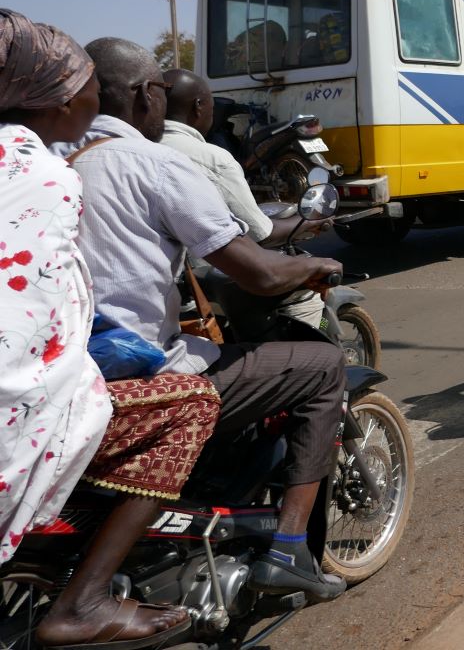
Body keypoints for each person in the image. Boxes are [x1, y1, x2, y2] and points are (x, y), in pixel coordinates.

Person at [60, 38, 350, 603]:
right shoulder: (155, 164)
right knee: (322, 364)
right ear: (149, 96)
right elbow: (260, 273)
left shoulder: (53, 163)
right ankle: (289, 548)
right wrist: (317, 261)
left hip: (68, 369)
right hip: (141, 374)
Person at [1, 10, 221, 648]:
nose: (91, 94)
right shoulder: (43, 179)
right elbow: (35, 328)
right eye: (82, 82)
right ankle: (86, 600)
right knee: (192, 403)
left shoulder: (47, 159)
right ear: (60, 96)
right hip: (22, 411)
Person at [162, 69, 330, 329]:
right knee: (304, 293)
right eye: (210, 104)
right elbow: (261, 233)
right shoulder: (211, 158)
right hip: (195, 285)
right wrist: (308, 221)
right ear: (198, 106)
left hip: (156, 289)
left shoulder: (130, 148)